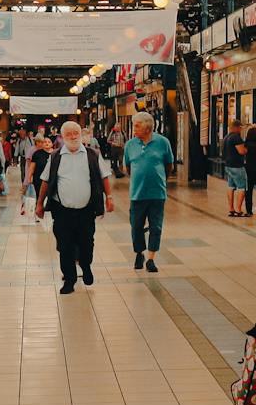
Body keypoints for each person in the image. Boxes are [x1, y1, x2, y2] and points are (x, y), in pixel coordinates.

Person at [37, 120, 113, 294]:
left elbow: (104, 177)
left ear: (81, 135)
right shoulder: (56, 156)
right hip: (62, 211)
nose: (72, 137)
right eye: (68, 134)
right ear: (62, 137)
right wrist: (39, 204)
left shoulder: (92, 154)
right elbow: (45, 181)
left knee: (87, 244)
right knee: (65, 246)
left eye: (75, 133)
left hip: (86, 211)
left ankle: (86, 266)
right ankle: (69, 280)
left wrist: (109, 197)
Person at [121, 112, 174, 273]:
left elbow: (168, 166)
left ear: (148, 127)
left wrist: (160, 181)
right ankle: (139, 252)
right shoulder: (130, 145)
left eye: (137, 125)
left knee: (156, 226)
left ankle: (151, 258)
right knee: (136, 226)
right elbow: (128, 168)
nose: (134, 129)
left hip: (157, 194)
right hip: (137, 194)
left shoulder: (163, 142)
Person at [223, 125, 249, 216]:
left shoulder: (227, 137)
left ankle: (231, 209)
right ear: (237, 128)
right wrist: (246, 150)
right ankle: (238, 210)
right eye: (240, 128)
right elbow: (241, 151)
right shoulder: (236, 138)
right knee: (241, 187)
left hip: (228, 165)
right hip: (237, 166)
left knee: (231, 186)